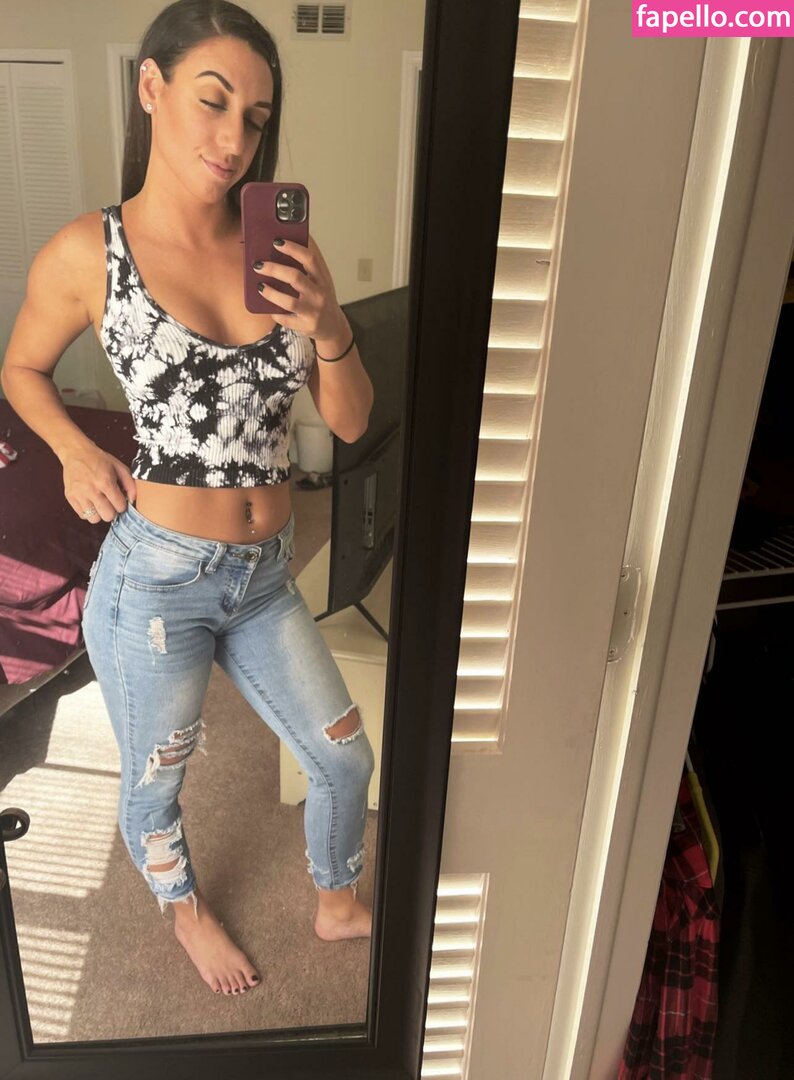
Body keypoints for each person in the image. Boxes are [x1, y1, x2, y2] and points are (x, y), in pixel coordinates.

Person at [0, 0, 376, 998]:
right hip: (156, 584)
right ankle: (184, 911)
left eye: (255, 117)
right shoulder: (90, 252)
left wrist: (328, 321)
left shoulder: (284, 255)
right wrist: (73, 450)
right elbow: (21, 369)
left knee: (344, 759)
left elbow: (348, 422)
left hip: (266, 575)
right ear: (151, 87)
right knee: (156, 779)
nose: (234, 137)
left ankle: (337, 897)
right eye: (213, 101)